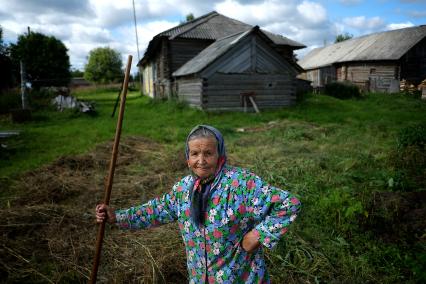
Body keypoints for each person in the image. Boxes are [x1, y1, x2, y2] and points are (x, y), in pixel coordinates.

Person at [96, 125, 301, 283]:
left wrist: (256, 235)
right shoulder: (184, 189)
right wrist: (118, 216)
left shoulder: (240, 184)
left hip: (240, 278)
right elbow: (157, 210)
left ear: (219, 155)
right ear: (187, 158)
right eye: (195, 153)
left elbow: (288, 204)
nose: (200, 160)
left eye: (208, 153)